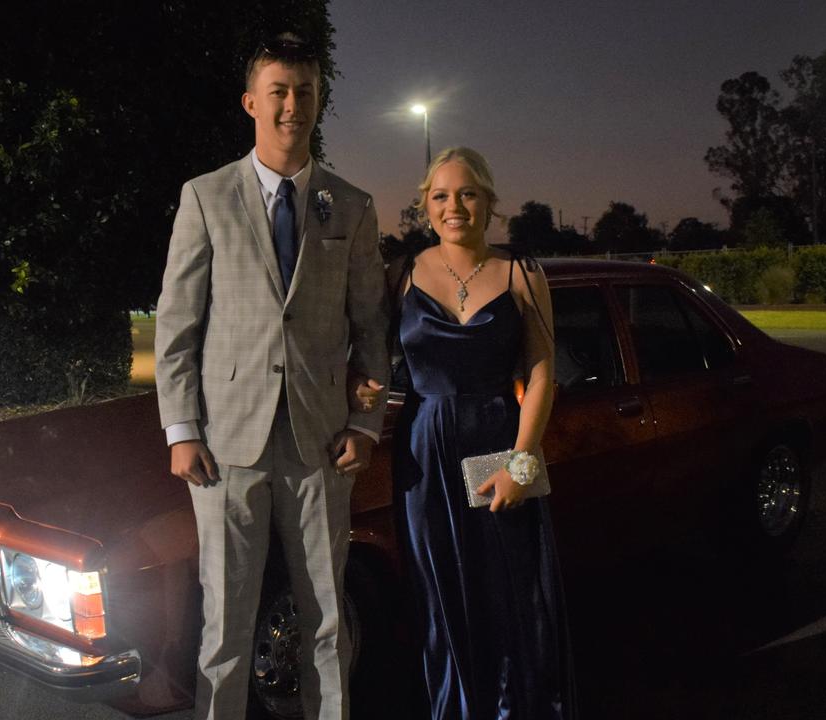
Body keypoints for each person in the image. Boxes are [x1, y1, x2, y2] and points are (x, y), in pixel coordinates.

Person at [153, 33, 390, 720]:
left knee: (326, 619)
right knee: (225, 628)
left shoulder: (352, 205)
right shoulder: (205, 197)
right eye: (279, 91)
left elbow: (372, 326)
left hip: (323, 445)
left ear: (319, 101)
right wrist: (180, 429)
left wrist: (365, 422)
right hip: (226, 447)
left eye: (306, 91)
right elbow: (178, 326)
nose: (293, 105)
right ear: (251, 101)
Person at [356, 147, 575, 719]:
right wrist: (357, 393)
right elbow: (373, 360)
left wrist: (522, 466)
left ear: (489, 202)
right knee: (441, 601)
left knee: (511, 598)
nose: (455, 206)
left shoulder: (521, 273)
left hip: (500, 443)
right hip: (423, 454)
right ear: (425, 205)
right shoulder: (400, 273)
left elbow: (542, 371)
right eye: (441, 196)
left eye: (468, 193)